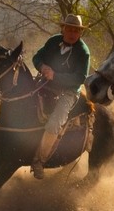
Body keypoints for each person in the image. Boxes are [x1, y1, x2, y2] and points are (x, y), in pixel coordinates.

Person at [30, 14, 91, 179]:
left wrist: (55, 76)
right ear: (63, 29)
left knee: (54, 123)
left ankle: (39, 160)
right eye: (69, 29)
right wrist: (42, 67)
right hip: (45, 83)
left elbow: (80, 78)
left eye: (76, 30)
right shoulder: (52, 41)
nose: (72, 33)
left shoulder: (83, 52)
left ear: (80, 33)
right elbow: (36, 57)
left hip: (69, 92)